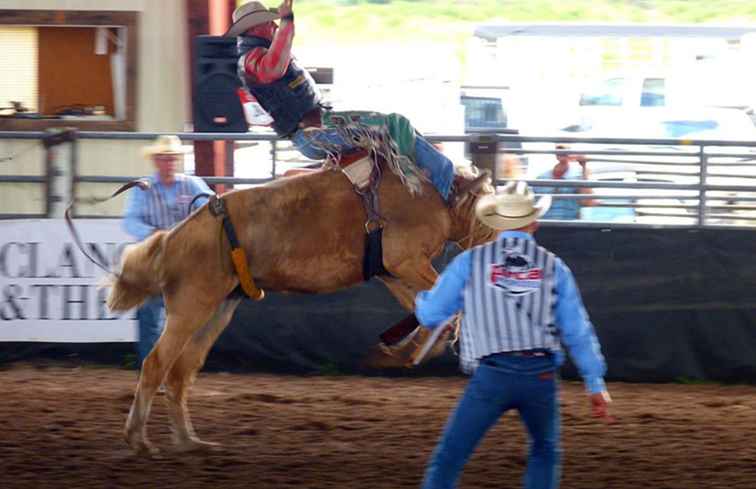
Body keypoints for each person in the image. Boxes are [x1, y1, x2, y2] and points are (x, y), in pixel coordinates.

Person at [414, 181, 612, 489]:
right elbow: (577, 329)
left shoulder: (470, 262)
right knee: (545, 452)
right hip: (540, 377)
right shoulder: (554, 267)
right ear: (534, 221)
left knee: (451, 454)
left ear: (495, 221)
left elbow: (431, 314)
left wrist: (422, 301)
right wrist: (595, 383)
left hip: (492, 375)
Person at [226, 0, 455, 203]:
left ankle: (430, 179)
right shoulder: (252, 60)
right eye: (269, 23)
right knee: (394, 125)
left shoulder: (253, 56)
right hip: (317, 132)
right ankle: (440, 190)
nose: (274, 26)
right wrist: (287, 22)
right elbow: (273, 67)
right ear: (255, 28)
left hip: (318, 128)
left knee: (401, 127)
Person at [122, 135, 214, 367]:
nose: (169, 163)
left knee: (184, 316)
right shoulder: (143, 187)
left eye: (172, 158)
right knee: (150, 314)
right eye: (164, 158)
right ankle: (152, 368)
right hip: (154, 258)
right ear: (156, 161)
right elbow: (130, 221)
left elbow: (213, 211)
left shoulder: (192, 185)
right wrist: (154, 233)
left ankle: (175, 369)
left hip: (187, 259)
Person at [534, 144, 596, 220]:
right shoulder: (541, 178)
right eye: (559, 150)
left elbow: (587, 202)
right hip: (546, 225)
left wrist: (583, 167)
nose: (562, 153)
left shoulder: (579, 175)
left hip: (570, 225)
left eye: (565, 150)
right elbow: (534, 206)